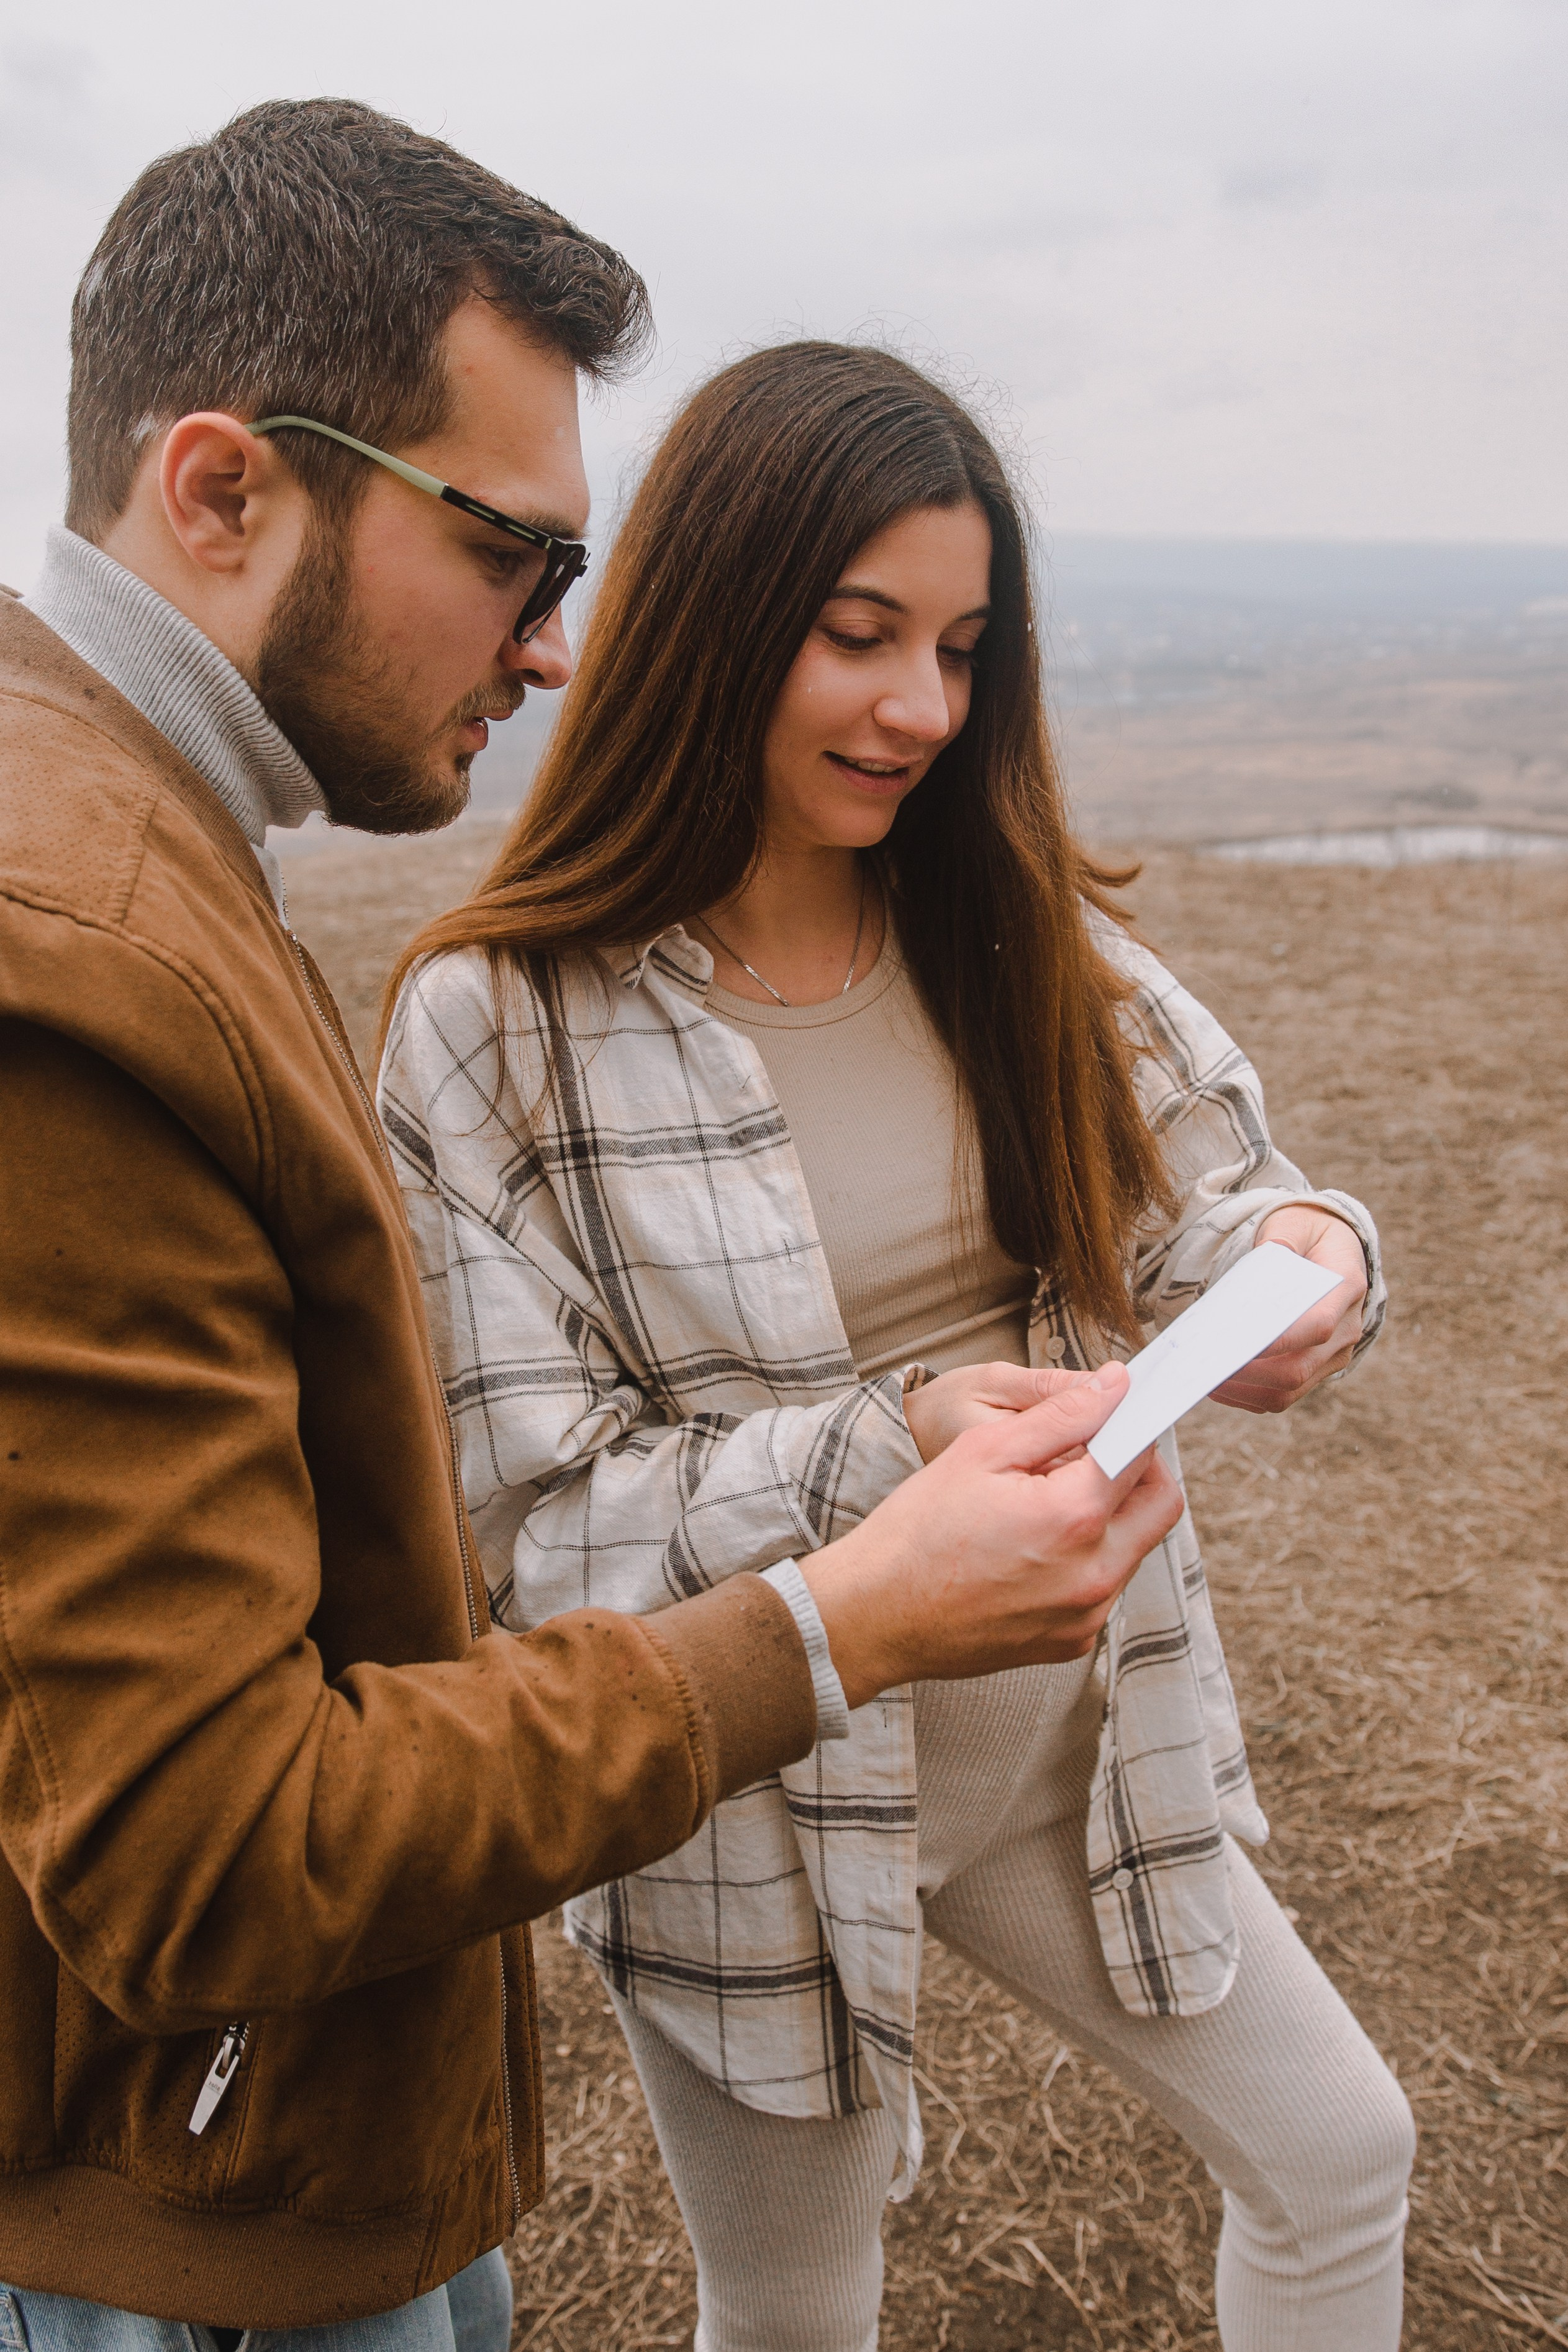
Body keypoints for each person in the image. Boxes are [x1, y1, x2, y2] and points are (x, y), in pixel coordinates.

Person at [0, 107, 1187, 2352]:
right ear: (226, 486)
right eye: (517, 558)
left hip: (300, 2152)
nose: (555, 649)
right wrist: (836, 1616)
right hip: (196, 2224)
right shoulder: (74, 963)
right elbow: (206, 1852)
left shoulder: (133, 829)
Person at [379, 342, 1419, 2352]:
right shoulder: (491, 1030)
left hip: (1072, 1756)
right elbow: (527, 1534)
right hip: (745, 1802)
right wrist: (893, 1439)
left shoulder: (1011, 922)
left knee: (1340, 2156)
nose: (924, 710)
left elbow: (1231, 1189)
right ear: (714, 617)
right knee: (792, 2310)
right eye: (861, 638)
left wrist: (1307, 1256)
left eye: (960, 648)